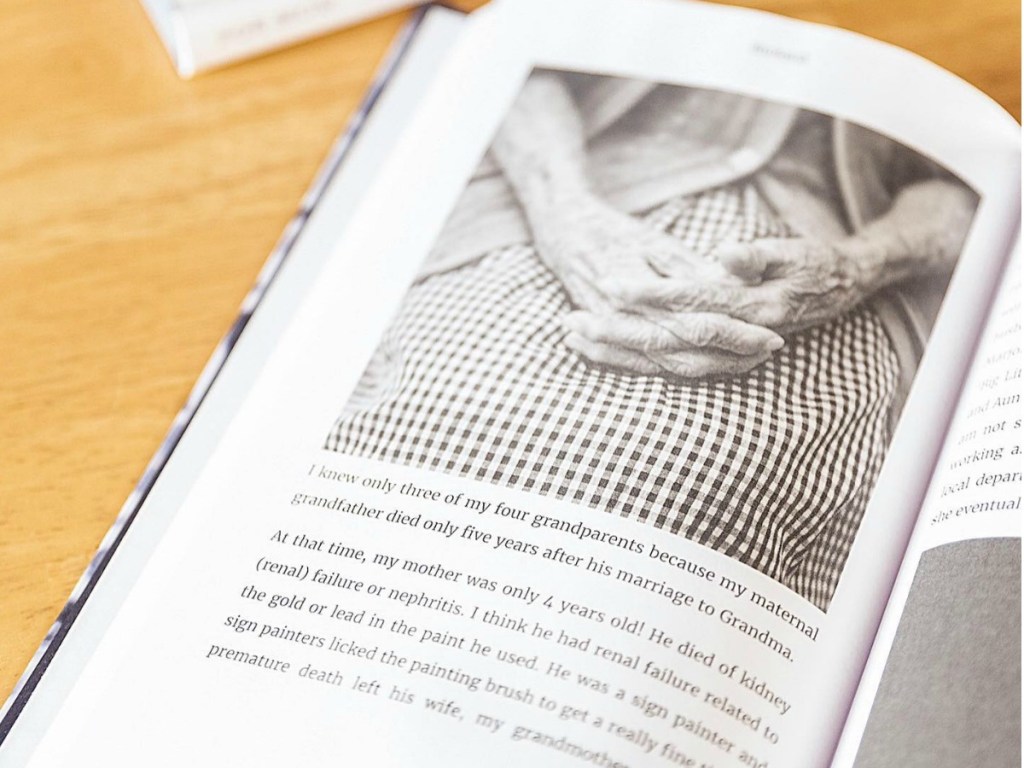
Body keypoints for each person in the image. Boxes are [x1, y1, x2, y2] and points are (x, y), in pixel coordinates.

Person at [327, 71, 976, 610]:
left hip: (822, 273)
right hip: (560, 210)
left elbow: (965, 194)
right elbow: (518, 70)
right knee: (429, 436)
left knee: (713, 497)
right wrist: (567, 213)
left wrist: (856, 267)